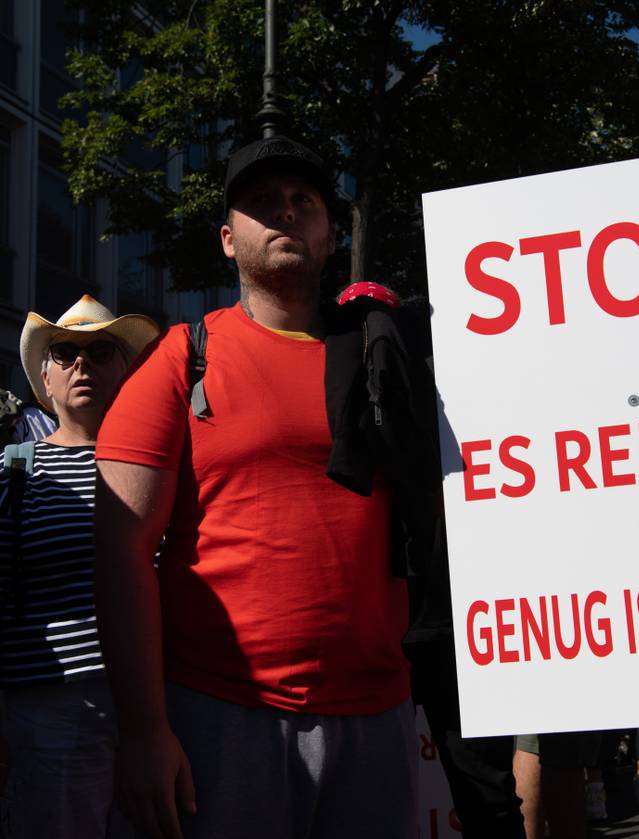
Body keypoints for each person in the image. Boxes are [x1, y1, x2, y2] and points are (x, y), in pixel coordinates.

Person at [93, 136, 430, 839]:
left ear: (331, 235)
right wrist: (144, 729)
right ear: (227, 239)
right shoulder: (182, 357)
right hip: (218, 718)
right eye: (262, 201)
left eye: (305, 200)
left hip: (380, 718)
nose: (286, 211)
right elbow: (120, 551)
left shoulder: (391, 359)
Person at [0, 295, 158, 838]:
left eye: (101, 351)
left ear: (127, 372)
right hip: (54, 715)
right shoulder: (15, 472)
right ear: (45, 379)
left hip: (164, 702)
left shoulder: (163, 468)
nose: (82, 363)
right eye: (65, 353)